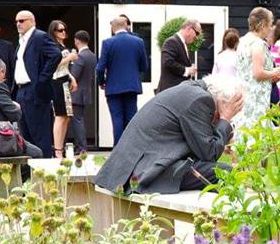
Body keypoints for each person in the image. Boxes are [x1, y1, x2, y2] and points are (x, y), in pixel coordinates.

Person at [94, 75, 244, 194]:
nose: (216, 119)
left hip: (132, 166)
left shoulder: (192, 90)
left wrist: (222, 135)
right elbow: (209, 154)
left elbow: (196, 141)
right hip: (144, 171)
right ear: (221, 102)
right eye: (222, 112)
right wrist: (225, 119)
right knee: (225, 173)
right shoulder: (201, 100)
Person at [96, 16, 149, 146]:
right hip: (131, 86)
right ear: (126, 26)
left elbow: (100, 67)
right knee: (131, 118)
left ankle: (118, 150)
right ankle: (131, 148)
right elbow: (144, 66)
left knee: (117, 119)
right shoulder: (138, 42)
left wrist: (101, 82)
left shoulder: (108, 43)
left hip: (113, 87)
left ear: (113, 28)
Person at [13, 10, 60, 158]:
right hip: (21, 91)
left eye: (22, 21)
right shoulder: (22, 40)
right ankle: (30, 174)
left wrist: (42, 79)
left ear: (32, 21)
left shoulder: (39, 37)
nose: (18, 24)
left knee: (39, 134)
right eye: (16, 21)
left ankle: (44, 169)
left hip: (34, 90)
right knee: (25, 135)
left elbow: (55, 55)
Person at [232, 7, 280, 132]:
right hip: (256, 98)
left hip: (243, 93)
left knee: (245, 128)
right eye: (270, 25)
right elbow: (257, 73)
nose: (271, 29)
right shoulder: (258, 44)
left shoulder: (242, 41)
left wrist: (269, 77)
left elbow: (248, 72)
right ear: (263, 25)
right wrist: (274, 72)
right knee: (256, 129)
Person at [47, 20, 78, 157]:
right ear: (53, 31)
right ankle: (57, 150)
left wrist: (72, 77)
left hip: (64, 80)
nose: (63, 32)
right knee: (60, 116)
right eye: (60, 30)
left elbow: (64, 67)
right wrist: (69, 57)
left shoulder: (61, 45)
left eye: (64, 29)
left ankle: (60, 147)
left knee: (66, 116)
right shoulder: (52, 46)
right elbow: (53, 64)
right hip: (56, 82)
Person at [69, 30, 97, 154]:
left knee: (77, 121)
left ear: (77, 40)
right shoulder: (92, 55)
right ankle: (81, 146)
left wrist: (70, 64)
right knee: (80, 119)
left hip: (76, 92)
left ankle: (81, 147)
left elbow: (74, 75)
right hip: (86, 92)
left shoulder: (80, 56)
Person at [156, 19, 200, 93]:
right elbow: (168, 62)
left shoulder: (182, 43)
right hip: (170, 92)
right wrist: (187, 70)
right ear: (189, 29)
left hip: (176, 92)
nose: (197, 37)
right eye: (197, 33)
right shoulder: (171, 42)